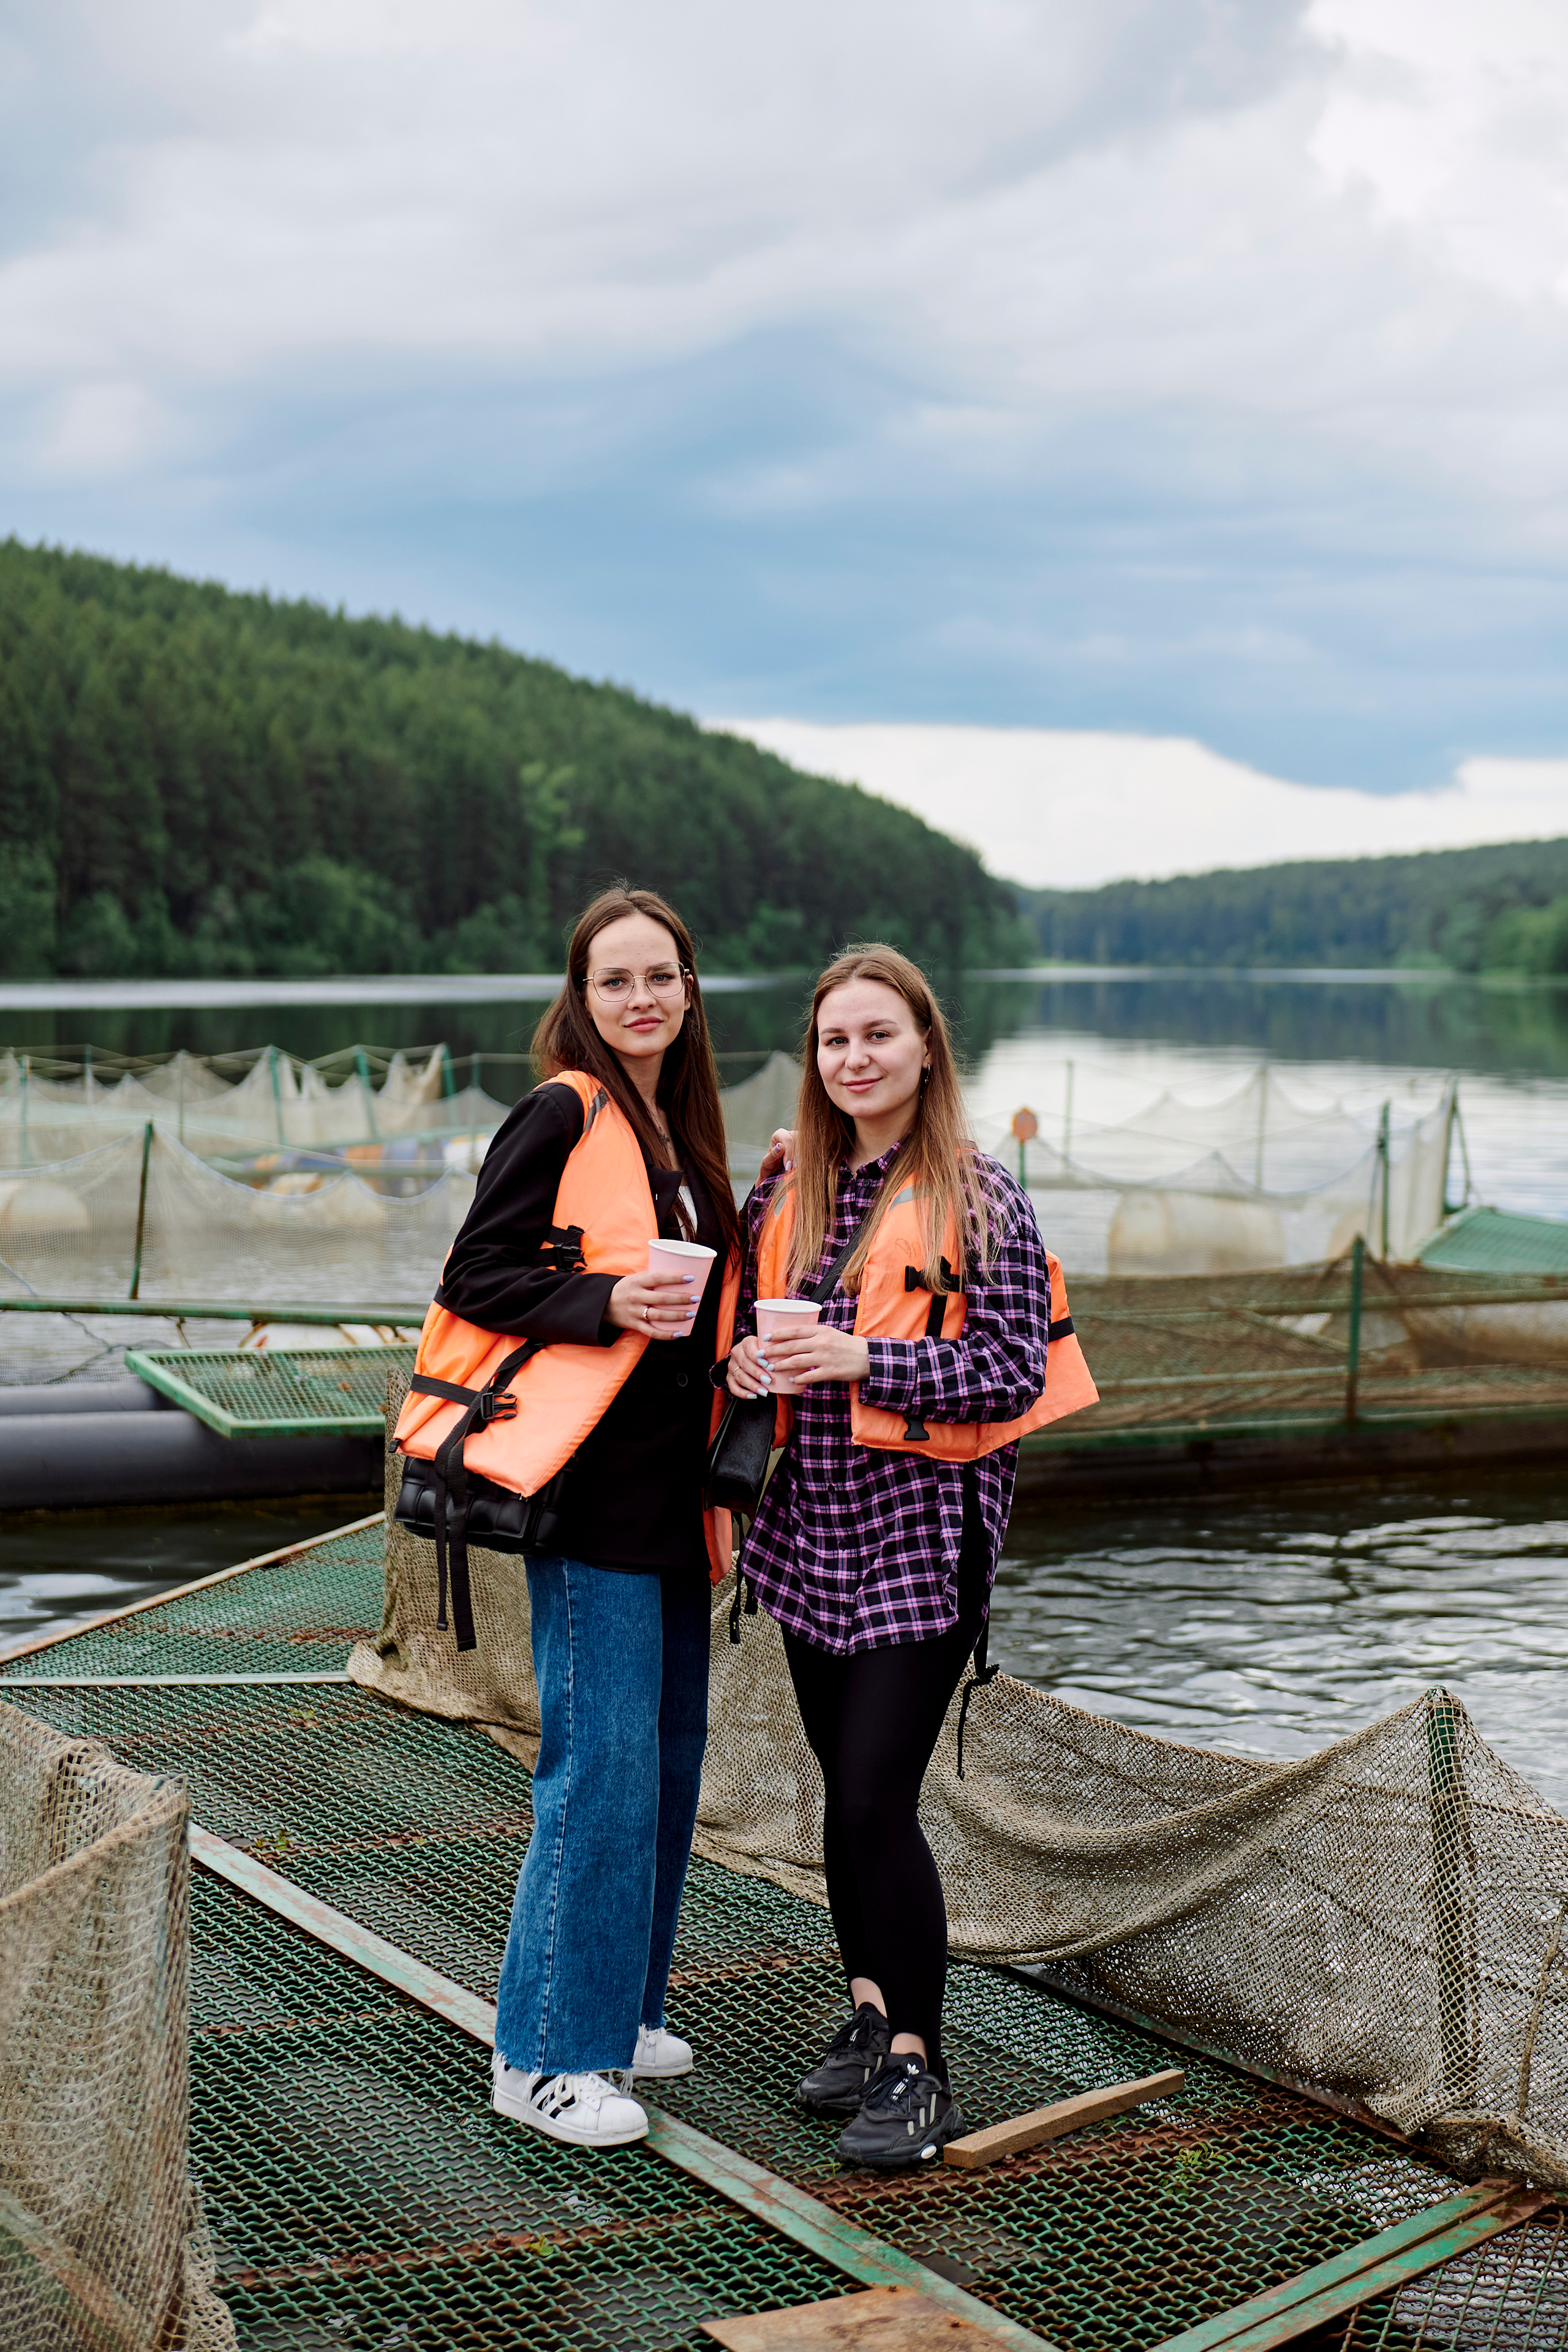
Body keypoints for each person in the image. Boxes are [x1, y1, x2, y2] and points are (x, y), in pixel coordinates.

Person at [396, 888, 741, 2149]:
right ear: (581, 998)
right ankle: (543, 2053)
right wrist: (603, 1301)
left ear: (689, 991)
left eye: (660, 976)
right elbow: (474, 1275)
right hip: (588, 1496)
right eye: (615, 981)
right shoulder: (560, 1110)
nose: (640, 998)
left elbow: (700, 1312)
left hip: (671, 1500)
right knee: (593, 1775)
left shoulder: (683, 1134)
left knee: (661, 1767)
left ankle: (624, 2011)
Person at [723, 944, 1071, 2169]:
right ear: (815, 1061)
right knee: (842, 1796)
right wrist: (743, 1365)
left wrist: (867, 1361)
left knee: (877, 1794)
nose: (855, 1058)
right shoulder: (785, 1191)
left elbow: (1010, 1374)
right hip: (807, 1526)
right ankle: (869, 2013)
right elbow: (732, 1346)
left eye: (878, 1035)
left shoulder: (982, 1198)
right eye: (834, 1041)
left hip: (920, 1537)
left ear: (925, 1048)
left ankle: (922, 2067)